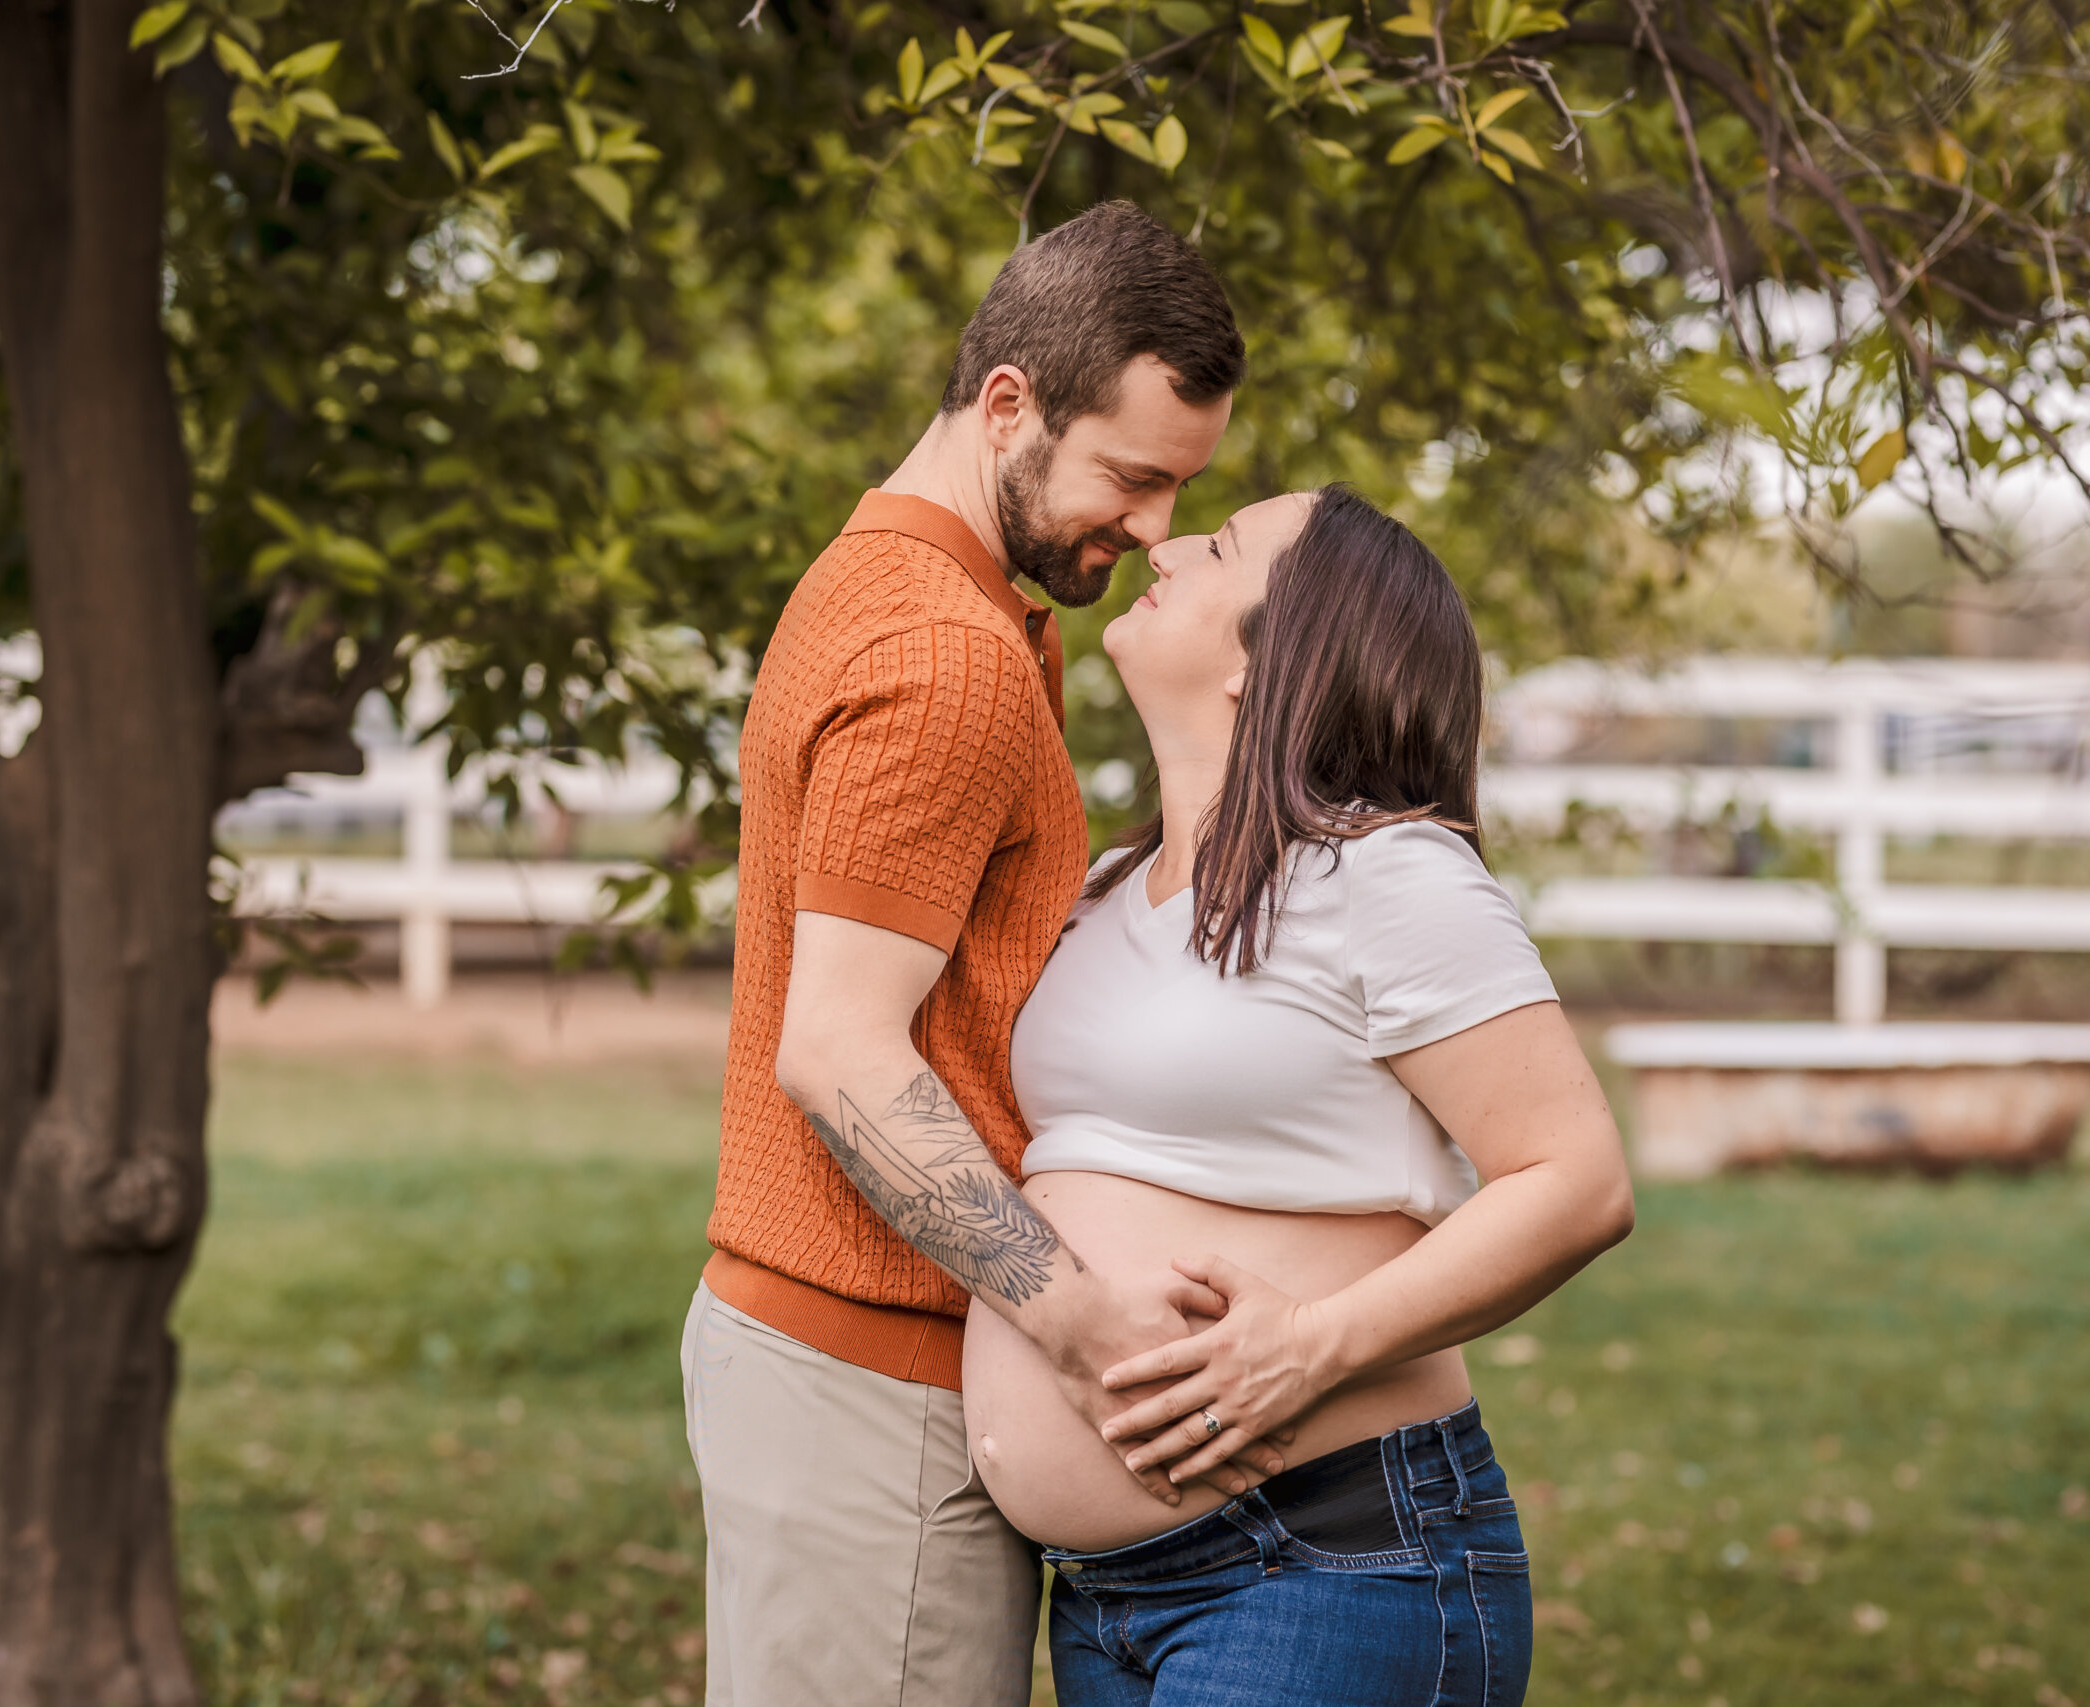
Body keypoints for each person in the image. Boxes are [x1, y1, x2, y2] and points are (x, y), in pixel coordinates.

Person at [683, 202, 1258, 1706]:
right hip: (868, 1389)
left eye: (1179, 489)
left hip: (838, 1371)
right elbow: (843, 1048)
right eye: (1131, 477)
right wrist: (1083, 1320)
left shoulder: (921, 588)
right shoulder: (945, 652)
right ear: (1009, 403)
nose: (1147, 531)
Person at [963, 485, 1637, 1705]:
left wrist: (1310, 1350)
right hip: (1107, 1596)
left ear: (1274, 659)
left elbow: (1576, 1181)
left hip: (1318, 1568)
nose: (1163, 544)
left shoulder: (1389, 876)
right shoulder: (1108, 890)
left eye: (1217, 548)